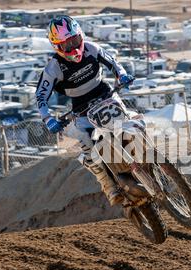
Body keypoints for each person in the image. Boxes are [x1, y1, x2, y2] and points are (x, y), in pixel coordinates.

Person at [36, 16, 134, 206]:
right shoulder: (53, 67)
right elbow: (40, 95)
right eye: (66, 45)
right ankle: (108, 186)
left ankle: (147, 156)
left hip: (105, 93)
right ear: (57, 46)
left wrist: (122, 75)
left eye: (75, 40)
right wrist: (47, 118)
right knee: (87, 143)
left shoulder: (91, 48)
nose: (73, 47)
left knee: (129, 122)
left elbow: (113, 62)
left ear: (81, 36)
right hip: (80, 107)